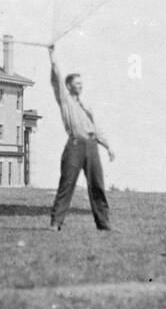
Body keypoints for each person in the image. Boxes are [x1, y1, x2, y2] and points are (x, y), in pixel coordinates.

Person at [48, 45, 117, 231]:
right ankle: (56, 223)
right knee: (67, 184)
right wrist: (52, 58)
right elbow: (56, 81)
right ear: (69, 86)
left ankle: (104, 223)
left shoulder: (87, 106)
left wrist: (108, 146)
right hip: (75, 145)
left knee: (97, 185)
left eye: (81, 83)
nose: (80, 86)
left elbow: (95, 128)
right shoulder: (65, 101)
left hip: (92, 146)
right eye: (77, 83)